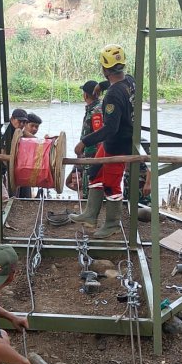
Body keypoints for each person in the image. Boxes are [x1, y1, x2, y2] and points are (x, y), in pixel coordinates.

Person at [69, 45, 135, 238]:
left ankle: (113, 223)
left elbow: (110, 128)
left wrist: (84, 141)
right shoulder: (129, 81)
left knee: (111, 185)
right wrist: (102, 85)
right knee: (95, 171)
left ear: (105, 69)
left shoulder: (114, 95)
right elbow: (120, 80)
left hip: (118, 145)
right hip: (113, 143)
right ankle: (90, 214)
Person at [70, 80, 104, 199]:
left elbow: (100, 135)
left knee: (90, 191)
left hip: (93, 157)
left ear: (85, 95)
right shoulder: (94, 109)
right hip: (89, 157)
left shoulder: (96, 111)